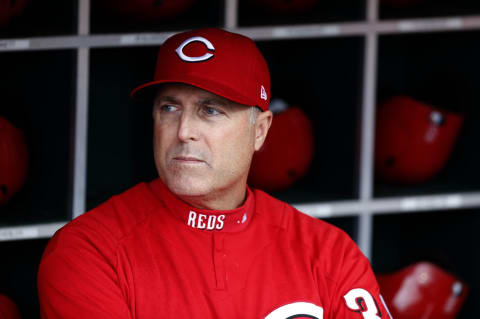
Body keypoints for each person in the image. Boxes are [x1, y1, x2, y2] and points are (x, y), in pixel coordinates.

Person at [37, 27, 392, 319]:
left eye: (210, 110)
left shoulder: (330, 254)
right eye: (169, 107)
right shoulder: (88, 252)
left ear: (260, 131)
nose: (183, 130)